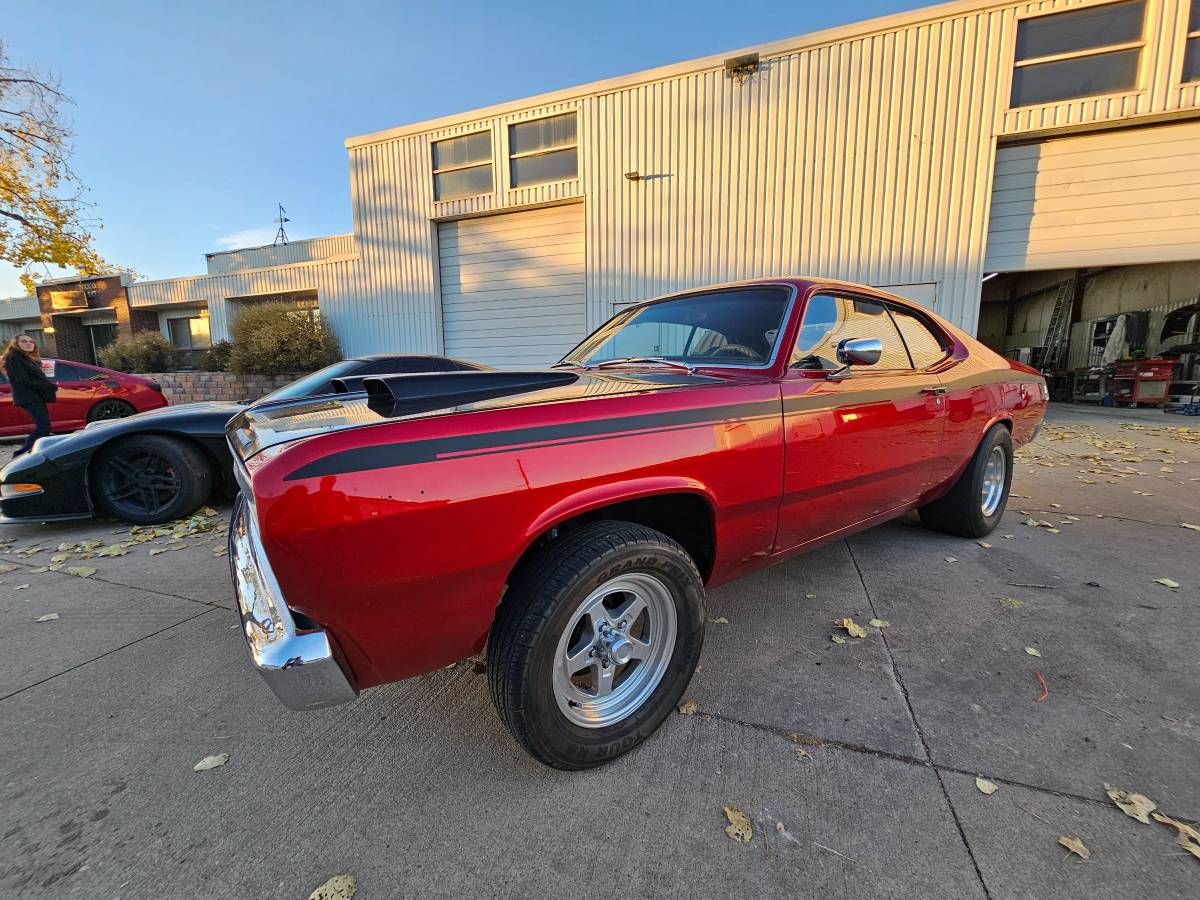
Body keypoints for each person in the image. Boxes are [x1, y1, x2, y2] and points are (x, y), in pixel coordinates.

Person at [1, 333, 57, 457]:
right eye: (24, 341)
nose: (28, 343)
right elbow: (22, 379)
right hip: (29, 397)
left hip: (35, 396)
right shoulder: (14, 357)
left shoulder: (26, 359)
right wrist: (49, 386)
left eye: (31, 341)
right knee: (43, 427)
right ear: (16, 344)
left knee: (44, 426)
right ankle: (21, 454)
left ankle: (40, 453)